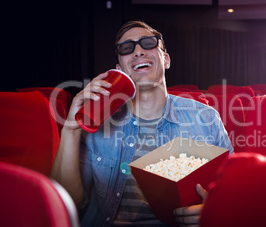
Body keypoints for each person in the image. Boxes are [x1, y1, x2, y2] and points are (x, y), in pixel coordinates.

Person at [50, 20, 233, 227]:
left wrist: (213, 209)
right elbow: (65, 202)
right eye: (126, 48)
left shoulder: (206, 118)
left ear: (166, 60)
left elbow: (233, 195)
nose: (138, 51)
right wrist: (71, 130)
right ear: (120, 69)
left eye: (148, 43)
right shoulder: (99, 124)